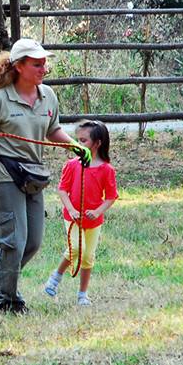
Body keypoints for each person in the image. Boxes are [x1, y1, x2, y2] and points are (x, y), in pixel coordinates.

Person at [0, 38, 91, 314]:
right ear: (19, 67)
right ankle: (9, 300)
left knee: (32, 242)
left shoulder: (48, 96)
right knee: (13, 241)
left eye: (44, 63)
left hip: (33, 175)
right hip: (5, 174)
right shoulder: (0, 99)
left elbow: (53, 129)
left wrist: (75, 146)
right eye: (37, 64)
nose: (43, 68)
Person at [43, 119, 118, 306]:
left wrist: (98, 211)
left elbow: (111, 196)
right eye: (77, 140)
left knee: (87, 257)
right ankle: (56, 277)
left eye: (83, 141)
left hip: (94, 221)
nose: (78, 145)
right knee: (76, 248)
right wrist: (71, 209)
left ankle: (82, 294)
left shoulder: (106, 169)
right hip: (73, 217)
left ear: (98, 143)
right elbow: (62, 189)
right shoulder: (72, 165)